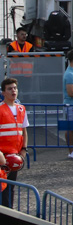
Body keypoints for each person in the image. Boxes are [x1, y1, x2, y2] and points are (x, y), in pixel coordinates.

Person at [0, 78, 27, 207]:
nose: (13, 91)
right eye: (10, 89)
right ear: (3, 92)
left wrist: (24, 149)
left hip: (15, 156)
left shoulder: (21, 109)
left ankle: (8, 212)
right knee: (3, 186)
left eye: (15, 88)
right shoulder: (0, 109)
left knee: (11, 186)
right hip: (2, 156)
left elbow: (24, 130)